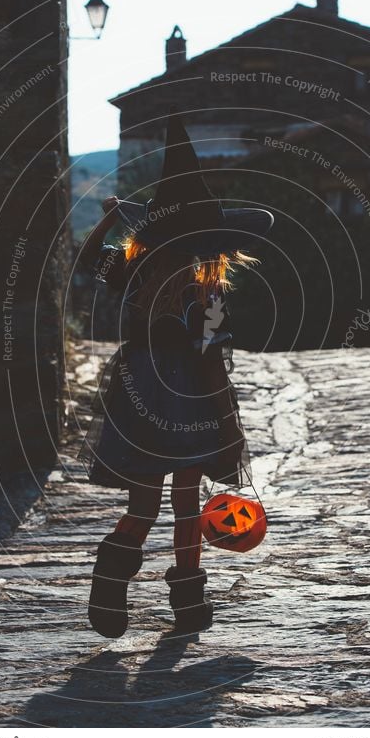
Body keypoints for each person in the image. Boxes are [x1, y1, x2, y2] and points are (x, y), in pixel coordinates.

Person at [78, 112, 274, 638]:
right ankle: (188, 603)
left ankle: (110, 577)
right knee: (187, 503)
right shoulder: (203, 293)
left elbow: (89, 260)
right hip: (186, 400)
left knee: (142, 502)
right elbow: (210, 361)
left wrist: (113, 218)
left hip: (138, 391)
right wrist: (228, 425)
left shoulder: (137, 272)